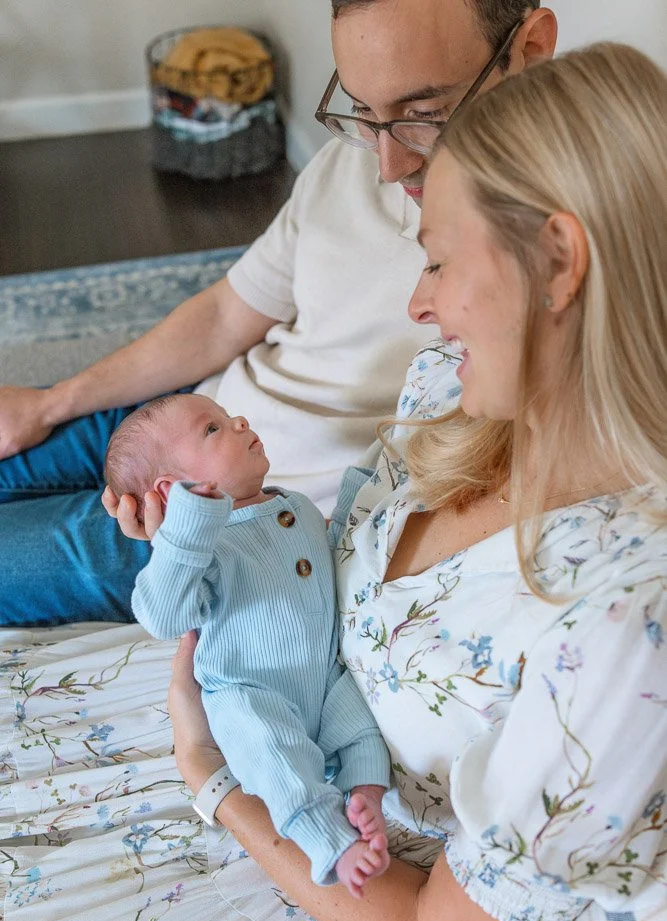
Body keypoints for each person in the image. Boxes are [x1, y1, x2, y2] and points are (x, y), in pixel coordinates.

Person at [0, 38, 666, 921]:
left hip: (318, 843)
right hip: (256, 672)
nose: (417, 303)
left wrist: (214, 780)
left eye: (437, 262)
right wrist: (202, 544)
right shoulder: (447, 390)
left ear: (558, 260)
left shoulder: (623, 620)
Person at [0, 0, 558, 627]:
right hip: (196, 415)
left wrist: (198, 544)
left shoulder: (557, 251)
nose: (386, 166)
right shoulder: (353, 158)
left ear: (531, 48)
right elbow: (226, 314)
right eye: (363, 112)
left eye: (424, 115)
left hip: (243, 524)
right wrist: (50, 404)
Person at [105, 393, 391, 895]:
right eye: (212, 429)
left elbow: (335, 554)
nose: (238, 420)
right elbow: (161, 614)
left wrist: (358, 496)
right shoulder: (203, 548)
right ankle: (328, 840)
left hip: (327, 674)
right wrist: (185, 530)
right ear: (174, 490)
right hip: (249, 692)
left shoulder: (293, 505)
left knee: (365, 724)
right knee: (273, 752)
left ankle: (365, 796)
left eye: (227, 416)